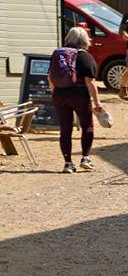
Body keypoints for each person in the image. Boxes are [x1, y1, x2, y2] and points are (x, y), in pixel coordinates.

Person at [50, 26, 102, 172]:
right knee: (87, 126)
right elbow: (90, 82)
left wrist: (56, 93)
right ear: (85, 39)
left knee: (65, 130)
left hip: (59, 94)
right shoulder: (84, 56)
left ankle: (68, 163)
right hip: (79, 94)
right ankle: (85, 158)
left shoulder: (59, 54)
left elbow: (50, 77)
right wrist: (97, 102)